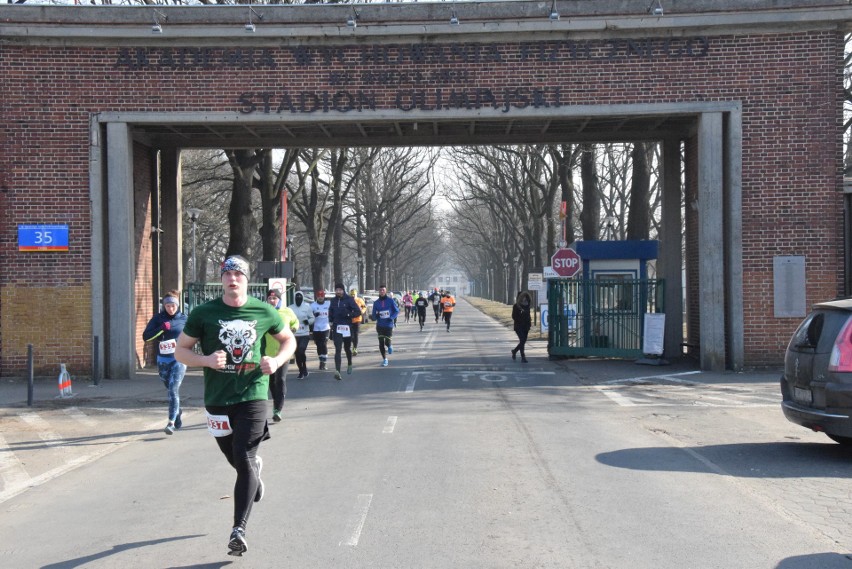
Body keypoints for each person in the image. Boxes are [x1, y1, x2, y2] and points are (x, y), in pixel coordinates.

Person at [175, 255, 296, 557]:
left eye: (238, 275)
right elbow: (180, 350)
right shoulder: (204, 313)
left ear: (245, 279)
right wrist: (204, 360)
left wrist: (277, 360)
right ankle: (255, 473)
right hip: (217, 399)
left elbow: (288, 340)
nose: (233, 279)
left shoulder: (264, 310)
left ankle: (237, 530)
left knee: (243, 456)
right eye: (228, 274)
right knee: (236, 460)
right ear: (222, 280)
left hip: (253, 394)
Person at [142, 289, 188, 435]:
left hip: (179, 359)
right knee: (170, 390)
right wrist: (161, 329)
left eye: (173, 306)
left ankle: (171, 422)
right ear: (164, 306)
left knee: (173, 390)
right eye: (168, 306)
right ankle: (177, 412)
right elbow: (146, 337)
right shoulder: (158, 319)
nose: (171, 308)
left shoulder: (184, 319)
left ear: (177, 305)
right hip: (163, 360)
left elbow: (194, 336)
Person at [265, 288, 298, 422]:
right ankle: (275, 403)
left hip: (283, 353)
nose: (272, 301)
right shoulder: (264, 312)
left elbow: (295, 321)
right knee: (272, 382)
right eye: (270, 299)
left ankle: (278, 409)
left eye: (275, 299)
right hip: (267, 353)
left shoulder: (287, 311)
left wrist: (294, 328)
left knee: (281, 379)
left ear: (279, 300)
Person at [329, 283, 361, 380]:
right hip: (337, 327)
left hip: (347, 327)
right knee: (338, 349)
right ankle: (337, 371)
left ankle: (350, 363)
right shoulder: (333, 300)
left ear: (343, 290)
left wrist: (348, 315)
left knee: (347, 348)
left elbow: (358, 312)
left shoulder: (349, 300)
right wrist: (331, 320)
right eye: (336, 290)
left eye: (340, 290)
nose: (338, 291)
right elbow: (331, 311)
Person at [288, 291, 314, 379]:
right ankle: (301, 370)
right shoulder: (290, 308)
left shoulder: (307, 307)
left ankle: (304, 367)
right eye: (297, 298)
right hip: (294, 334)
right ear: (294, 298)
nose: (298, 299)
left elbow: (312, 318)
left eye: (300, 298)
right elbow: (287, 320)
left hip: (304, 333)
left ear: (302, 298)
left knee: (301, 350)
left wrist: (308, 322)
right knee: (297, 353)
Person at [371, 285, 399, 367]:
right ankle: (385, 359)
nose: (382, 291)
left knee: (387, 342)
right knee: (381, 343)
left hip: (388, 324)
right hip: (380, 325)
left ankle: (389, 345)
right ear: (379, 291)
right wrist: (374, 316)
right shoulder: (376, 303)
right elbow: (373, 314)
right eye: (380, 290)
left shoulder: (390, 301)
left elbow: (396, 310)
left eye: (383, 290)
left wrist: (392, 317)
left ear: (385, 291)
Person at [310, 289, 331, 371]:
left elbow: (332, 312)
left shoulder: (328, 304)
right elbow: (310, 316)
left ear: (324, 296)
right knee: (319, 345)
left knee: (324, 344)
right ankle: (320, 361)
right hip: (316, 328)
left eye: (322, 296)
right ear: (316, 297)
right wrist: (314, 315)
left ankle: (324, 362)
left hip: (326, 327)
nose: (320, 298)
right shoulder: (313, 305)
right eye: (319, 296)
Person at [511, 291, 533, 363]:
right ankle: (523, 357)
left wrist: (529, 323)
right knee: (522, 339)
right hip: (519, 326)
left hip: (526, 326)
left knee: (523, 341)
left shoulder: (527, 306)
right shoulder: (516, 306)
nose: (524, 299)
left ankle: (514, 351)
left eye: (525, 297)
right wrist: (520, 318)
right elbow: (514, 316)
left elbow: (528, 316)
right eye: (523, 297)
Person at [350, 288, 367, 356]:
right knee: (351, 335)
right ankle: (352, 344)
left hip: (357, 320)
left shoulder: (360, 300)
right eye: (352, 295)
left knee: (356, 334)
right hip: (350, 320)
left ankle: (355, 348)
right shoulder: (348, 301)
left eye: (354, 295)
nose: (353, 296)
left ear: (356, 294)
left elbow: (364, 307)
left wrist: (361, 312)